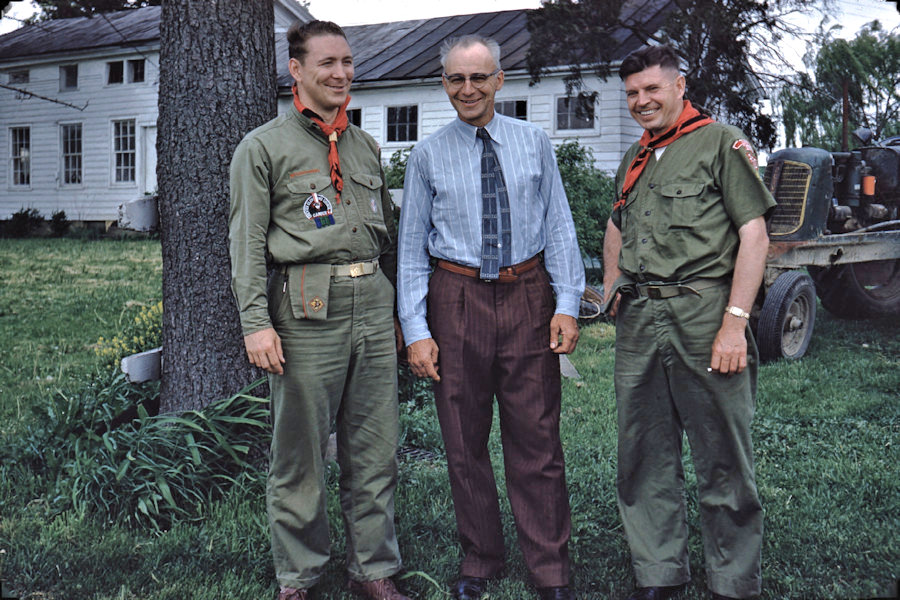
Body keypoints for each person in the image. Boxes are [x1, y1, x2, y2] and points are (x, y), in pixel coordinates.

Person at [398, 34, 585, 600]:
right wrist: (417, 330)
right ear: (445, 84)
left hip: (526, 294)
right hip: (455, 299)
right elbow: (410, 250)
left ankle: (549, 568)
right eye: (457, 79)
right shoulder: (427, 155)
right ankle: (480, 559)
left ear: (499, 80)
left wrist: (567, 303)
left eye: (479, 77)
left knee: (537, 437)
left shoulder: (534, 142)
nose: (468, 89)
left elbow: (559, 227)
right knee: (463, 438)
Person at [228, 20, 410, 600]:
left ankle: (374, 572)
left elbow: (389, 239)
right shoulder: (263, 147)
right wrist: (256, 323)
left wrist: (403, 317)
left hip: (373, 307)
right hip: (306, 310)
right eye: (327, 63)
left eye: (348, 62)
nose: (341, 74)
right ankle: (299, 575)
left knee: (375, 447)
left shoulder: (363, 145)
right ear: (297, 71)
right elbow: (247, 244)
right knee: (300, 452)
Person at [602, 45, 774, 600]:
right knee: (643, 450)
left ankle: (731, 578)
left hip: (703, 312)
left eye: (652, 89)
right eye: (631, 93)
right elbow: (615, 225)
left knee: (721, 449)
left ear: (680, 85)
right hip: (641, 319)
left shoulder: (721, 142)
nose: (641, 101)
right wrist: (612, 286)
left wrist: (734, 323)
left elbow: (754, 235)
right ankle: (659, 572)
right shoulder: (635, 154)